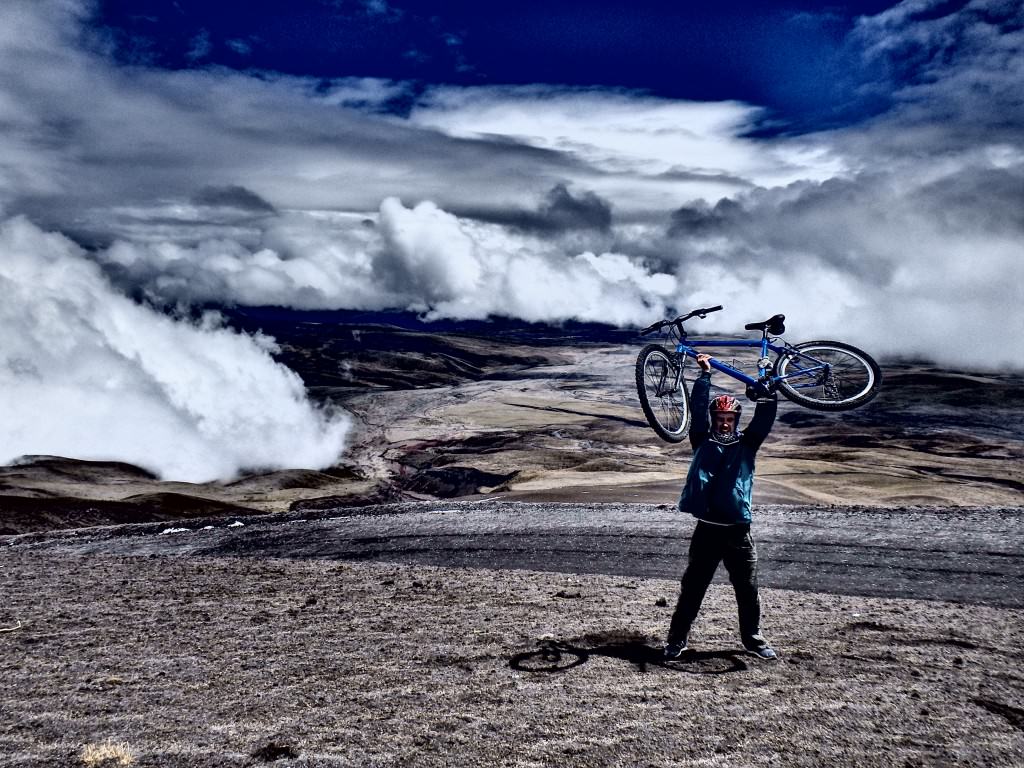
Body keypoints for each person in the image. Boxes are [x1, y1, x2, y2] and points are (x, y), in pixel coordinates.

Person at [663, 352, 779, 661]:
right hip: (707, 532)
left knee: (747, 589)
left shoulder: (748, 444)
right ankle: (676, 641)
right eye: (720, 418)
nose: (724, 423)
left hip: (739, 533)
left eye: (729, 419)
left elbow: (764, 419)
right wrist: (704, 376)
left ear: (735, 421)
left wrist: (769, 395)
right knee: (693, 588)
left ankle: (753, 640)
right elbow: (698, 412)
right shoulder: (701, 440)